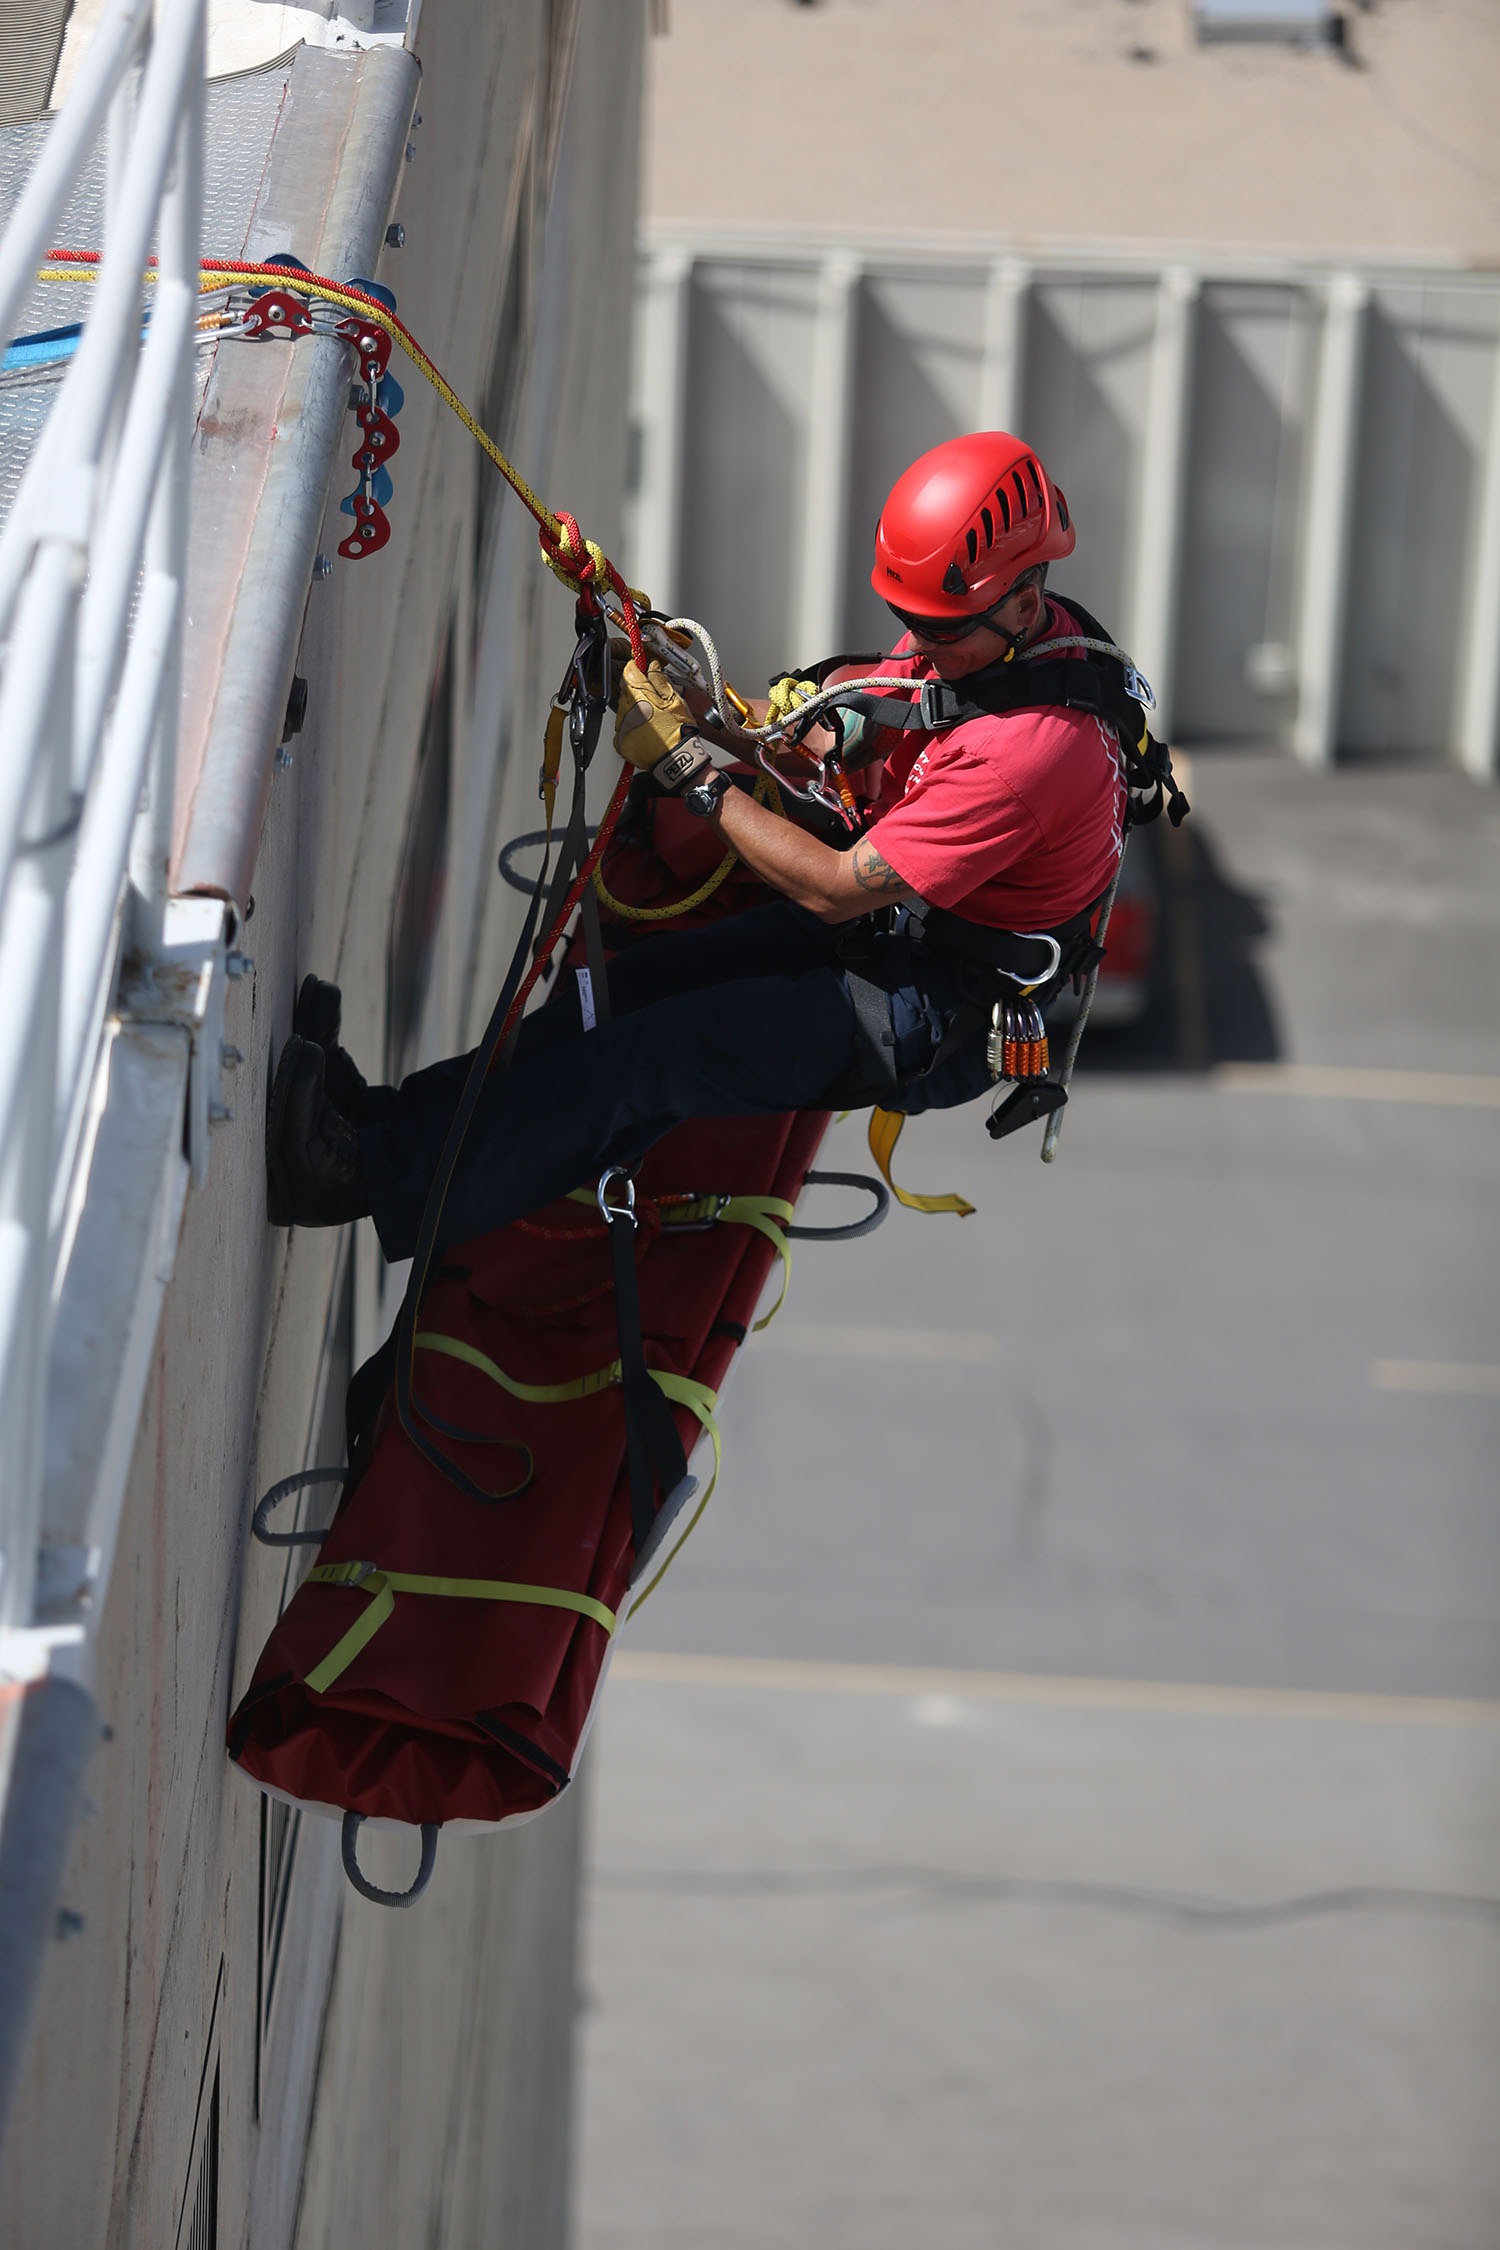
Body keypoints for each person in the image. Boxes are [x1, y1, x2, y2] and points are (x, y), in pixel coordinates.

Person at [266, 431, 1128, 1258]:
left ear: (1022, 602)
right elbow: (821, 741)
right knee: (619, 995)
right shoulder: (985, 639)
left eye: (936, 630)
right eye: (910, 619)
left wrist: (686, 766)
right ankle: (380, 1123)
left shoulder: (1031, 755)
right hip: (898, 938)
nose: (920, 643)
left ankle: (353, 1180)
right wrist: (689, 697)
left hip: (933, 1008)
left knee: (654, 1059)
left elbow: (834, 886)